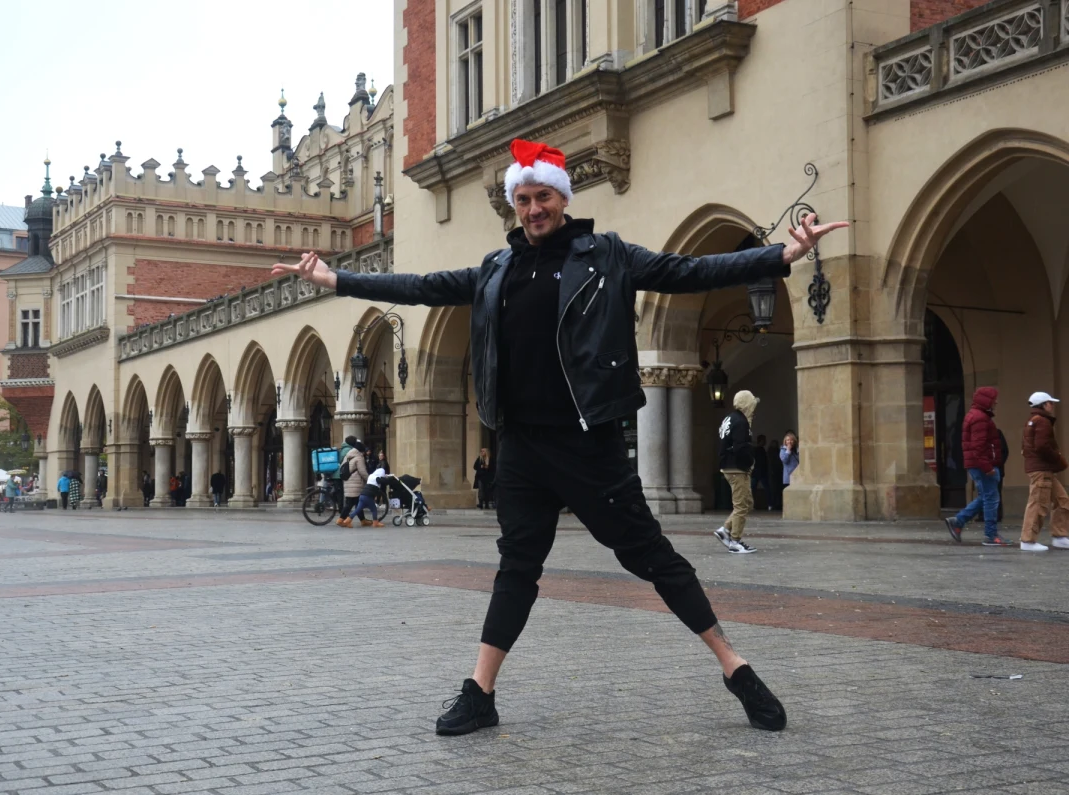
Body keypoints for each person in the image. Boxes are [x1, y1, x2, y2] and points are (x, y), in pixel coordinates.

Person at [271, 137, 844, 736]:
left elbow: (689, 272)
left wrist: (780, 255)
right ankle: (480, 691)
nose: (532, 208)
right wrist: (337, 279)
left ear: (562, 199)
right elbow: (422, 286)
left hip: (587, 443)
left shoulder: (609, 256)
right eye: (522, 198)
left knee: (653, 558)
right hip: (520, 446)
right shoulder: (497, 268)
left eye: (542, 196)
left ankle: (735, 667)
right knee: (517, 567)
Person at [944, 387, 1010, 546]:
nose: (996, 402)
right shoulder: (980, 418)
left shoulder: (977, 416)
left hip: (978, 464)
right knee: (991, 499)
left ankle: (958, 521)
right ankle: (990, 535)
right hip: (982, 465)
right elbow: (978, 447)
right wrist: (988, 468)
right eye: (994, 399)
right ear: (987, 400)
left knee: (987, 497)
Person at [1019, 391, 1069, 552]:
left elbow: (1028, 446)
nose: (1052, 405)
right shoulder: (1042, 421)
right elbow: (1041, 446)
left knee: (1063, 500)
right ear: (1043, 404)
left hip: (1040, 468)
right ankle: (1028, 540)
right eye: (1050, 403)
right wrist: (1058, 459)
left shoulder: (1032, 420)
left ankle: (1060, 536)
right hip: (1042, 469)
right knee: (1038, 504)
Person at [714, 391, 760, 554]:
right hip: (737, 468)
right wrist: (749, 463)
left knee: (747, 503)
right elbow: (741, 447)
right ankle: (735, 541)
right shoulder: (741, 422)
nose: (754, 408)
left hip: (729, 466)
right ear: (747, 404)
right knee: (741, 506)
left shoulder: (730, 418)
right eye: (752, 404)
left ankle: (725, 530)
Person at [336, 441, 373, 528]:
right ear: (361, 450)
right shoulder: (359, 457)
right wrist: (369, 479)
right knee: (350, 503)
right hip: (356, 483)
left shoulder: (348, 456)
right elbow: (362, 472)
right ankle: (341, 520)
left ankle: (363, 520)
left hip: (348, 482)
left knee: (357, 503)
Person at [779, 432, 800, 509]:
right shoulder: (783, 450)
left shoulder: (797, 450)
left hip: (797, 475)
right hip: (789, 475)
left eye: (791, 440)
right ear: (785, 441)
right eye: (787, 440)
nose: (789, 442)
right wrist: (788, 451)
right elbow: (784, 460)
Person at [750, 435, 770, 511]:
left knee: (753, 489)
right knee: (765, 488)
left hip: (756, 472)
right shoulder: (759, 450)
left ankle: (751, 505)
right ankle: (769, 504)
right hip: (759, 472)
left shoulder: (757, 449)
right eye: (764, 440)